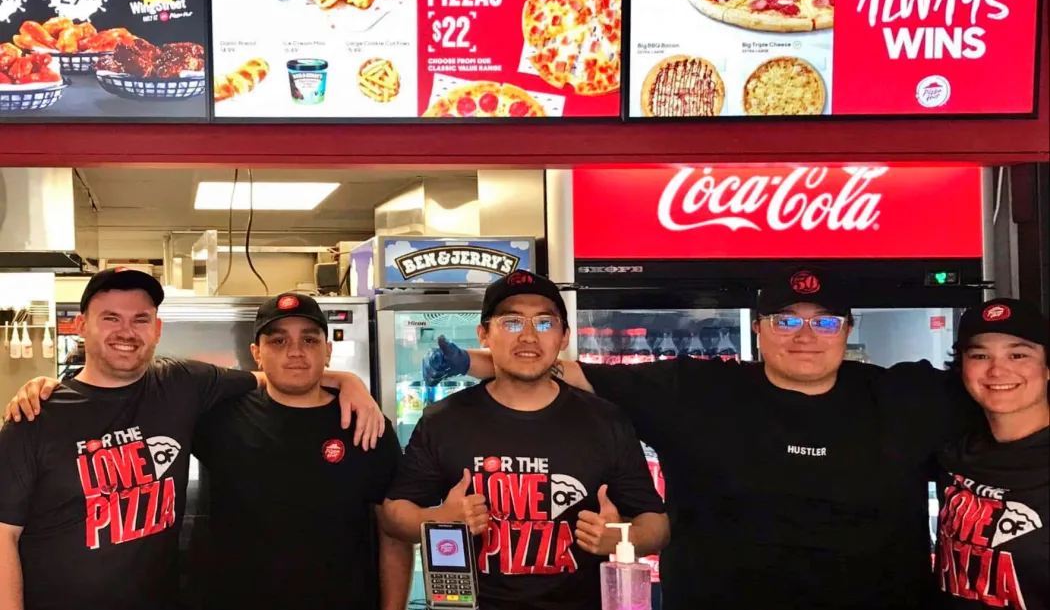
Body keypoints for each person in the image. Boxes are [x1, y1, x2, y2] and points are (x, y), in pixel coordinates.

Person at [423, 267, 984, 610]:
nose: (806, 336)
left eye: (824, 321)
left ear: (849, 329)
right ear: (759, 328)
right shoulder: (695, 388)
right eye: (786, 321)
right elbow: (561, 370)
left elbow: (1006, 385)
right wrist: (349, 379)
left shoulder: (908, 395)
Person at [0, 269, 383, 610]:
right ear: (81, 326)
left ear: (157, 329)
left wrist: (348, 382)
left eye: (141, 319)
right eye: (110, 318)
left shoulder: (182, 383)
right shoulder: (34, 417)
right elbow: (3, 538)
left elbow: (279, 378)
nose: (126, 332)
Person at [381, 271, 669, 610]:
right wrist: (440, 520)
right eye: (512, 323)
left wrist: (622, 537)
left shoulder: (606, 421)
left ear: (564, 338)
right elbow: (394, 514)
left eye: (545, 323)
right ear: (484, 334)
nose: (529, 336)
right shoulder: (444, 420)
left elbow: (657, 525)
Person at [189, 293, 412, 610]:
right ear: (257, 354)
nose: (295, 352)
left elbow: (392, 531)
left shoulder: (365, 423)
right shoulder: (220, 418)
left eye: (309, 340)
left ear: (328, 351)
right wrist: (346, 379)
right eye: (278, 342)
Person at [934, 298, 1048, 609]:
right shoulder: (954, 451)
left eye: (1018, 354)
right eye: (980, 355)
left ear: (1047, 367)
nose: (998, 369)